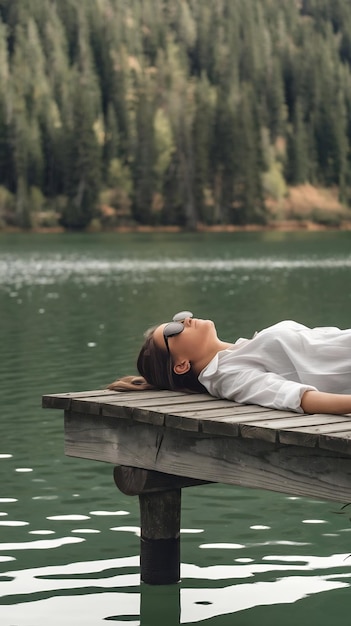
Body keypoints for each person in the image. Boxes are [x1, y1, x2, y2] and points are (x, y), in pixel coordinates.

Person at [108, 311, 351, 415]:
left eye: (179, 318)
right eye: (174, 329)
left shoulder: (239, 352)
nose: (186, 320)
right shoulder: (226, 375)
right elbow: (297, 398)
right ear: (180, 365)